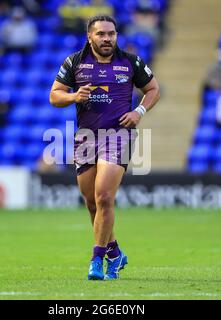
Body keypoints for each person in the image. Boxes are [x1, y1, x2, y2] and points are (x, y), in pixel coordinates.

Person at [49, 15, 160, 280]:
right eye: (101, 34)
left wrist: (139, 111)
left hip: (118, 136)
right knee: (91, 202)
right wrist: (74, 96)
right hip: (86, 137)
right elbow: (54, 95)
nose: (107, 38)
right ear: (90, 36)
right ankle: (114, 252)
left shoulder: (130, 62)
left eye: (111, 33)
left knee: (104, 198)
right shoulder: (75, 62)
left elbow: (153, 88)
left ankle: (96, 259)